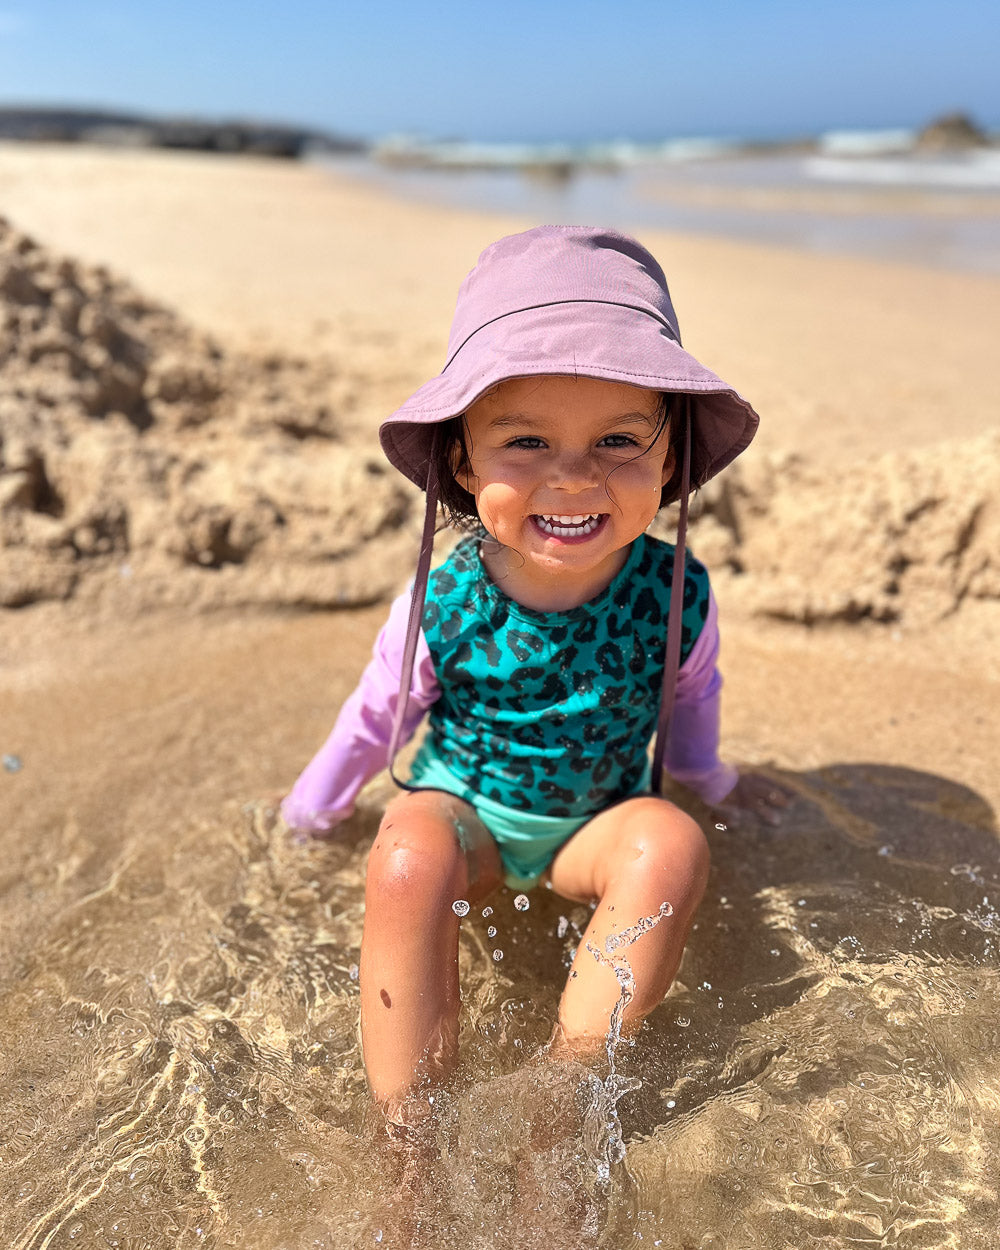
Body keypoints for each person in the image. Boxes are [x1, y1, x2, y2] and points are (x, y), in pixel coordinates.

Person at [281, 225, 784, 1131]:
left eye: (621, 439)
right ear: (464, 464)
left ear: (670, 459)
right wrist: (310, 814)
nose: (574, 476)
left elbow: (691, 697)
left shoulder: (678, 595)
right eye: (525, 441)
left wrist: (713, 782)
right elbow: (375, 720)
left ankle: (570, 1083)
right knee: (404, 853)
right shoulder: (444, 603)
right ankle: (409, 1128)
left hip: (592, 827)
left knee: (670, 843)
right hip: (467, 811)